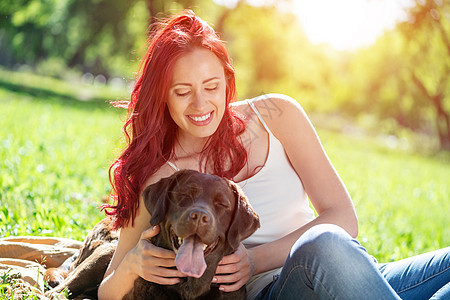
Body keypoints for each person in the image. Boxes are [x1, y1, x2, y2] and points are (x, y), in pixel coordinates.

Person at [98, 10, 450, 300]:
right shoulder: (165, 177)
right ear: (163, 95)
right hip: (276, 292)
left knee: (327, 245)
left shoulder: (277, 115)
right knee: (322, 243)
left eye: (212, 87)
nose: (201, 104)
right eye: (182, 91)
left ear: (227, 80)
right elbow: (107, 288)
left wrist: (254, 258)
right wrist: (131, 266)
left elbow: (343, 217)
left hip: (348, 274)